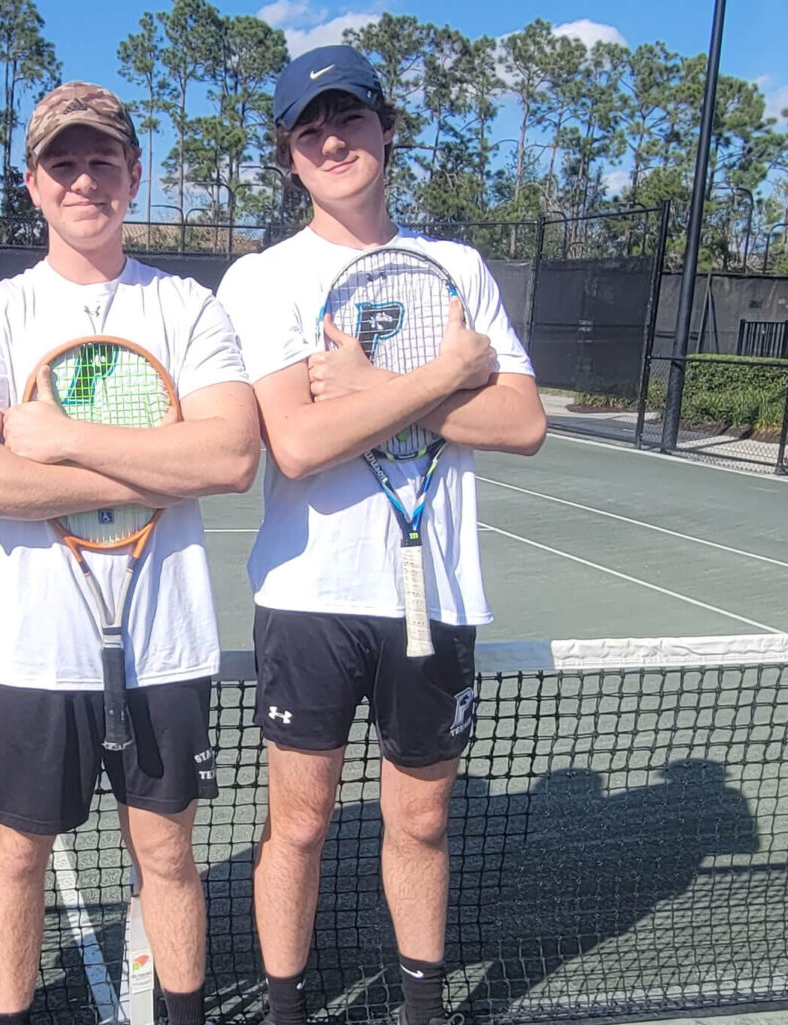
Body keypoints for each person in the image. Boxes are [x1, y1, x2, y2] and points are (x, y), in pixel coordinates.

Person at [215, 45, 547, 1025]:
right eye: (308, 128)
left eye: (348, 117)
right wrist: (440, 378)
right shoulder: (263, 280)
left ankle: (420, 1007)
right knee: (301, 822)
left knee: (423, 818)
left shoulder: (459, 268)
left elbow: (522, 421)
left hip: (434, 596)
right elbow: (303, 440)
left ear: (385, 125)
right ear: (287, 154)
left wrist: (371, 390)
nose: (331, 139)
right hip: (310, 598)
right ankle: (285, 1007)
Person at [0, 82, 259, 1025]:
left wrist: (61, 440)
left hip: (169, 648)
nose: (84, 180)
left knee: (166, 856)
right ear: (33, 183)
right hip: (36, 656)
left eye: (102, 161)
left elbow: (231, 456)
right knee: (18, 858)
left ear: (134, 175)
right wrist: (158, 461)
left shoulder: (187, 307)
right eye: (62, 164)